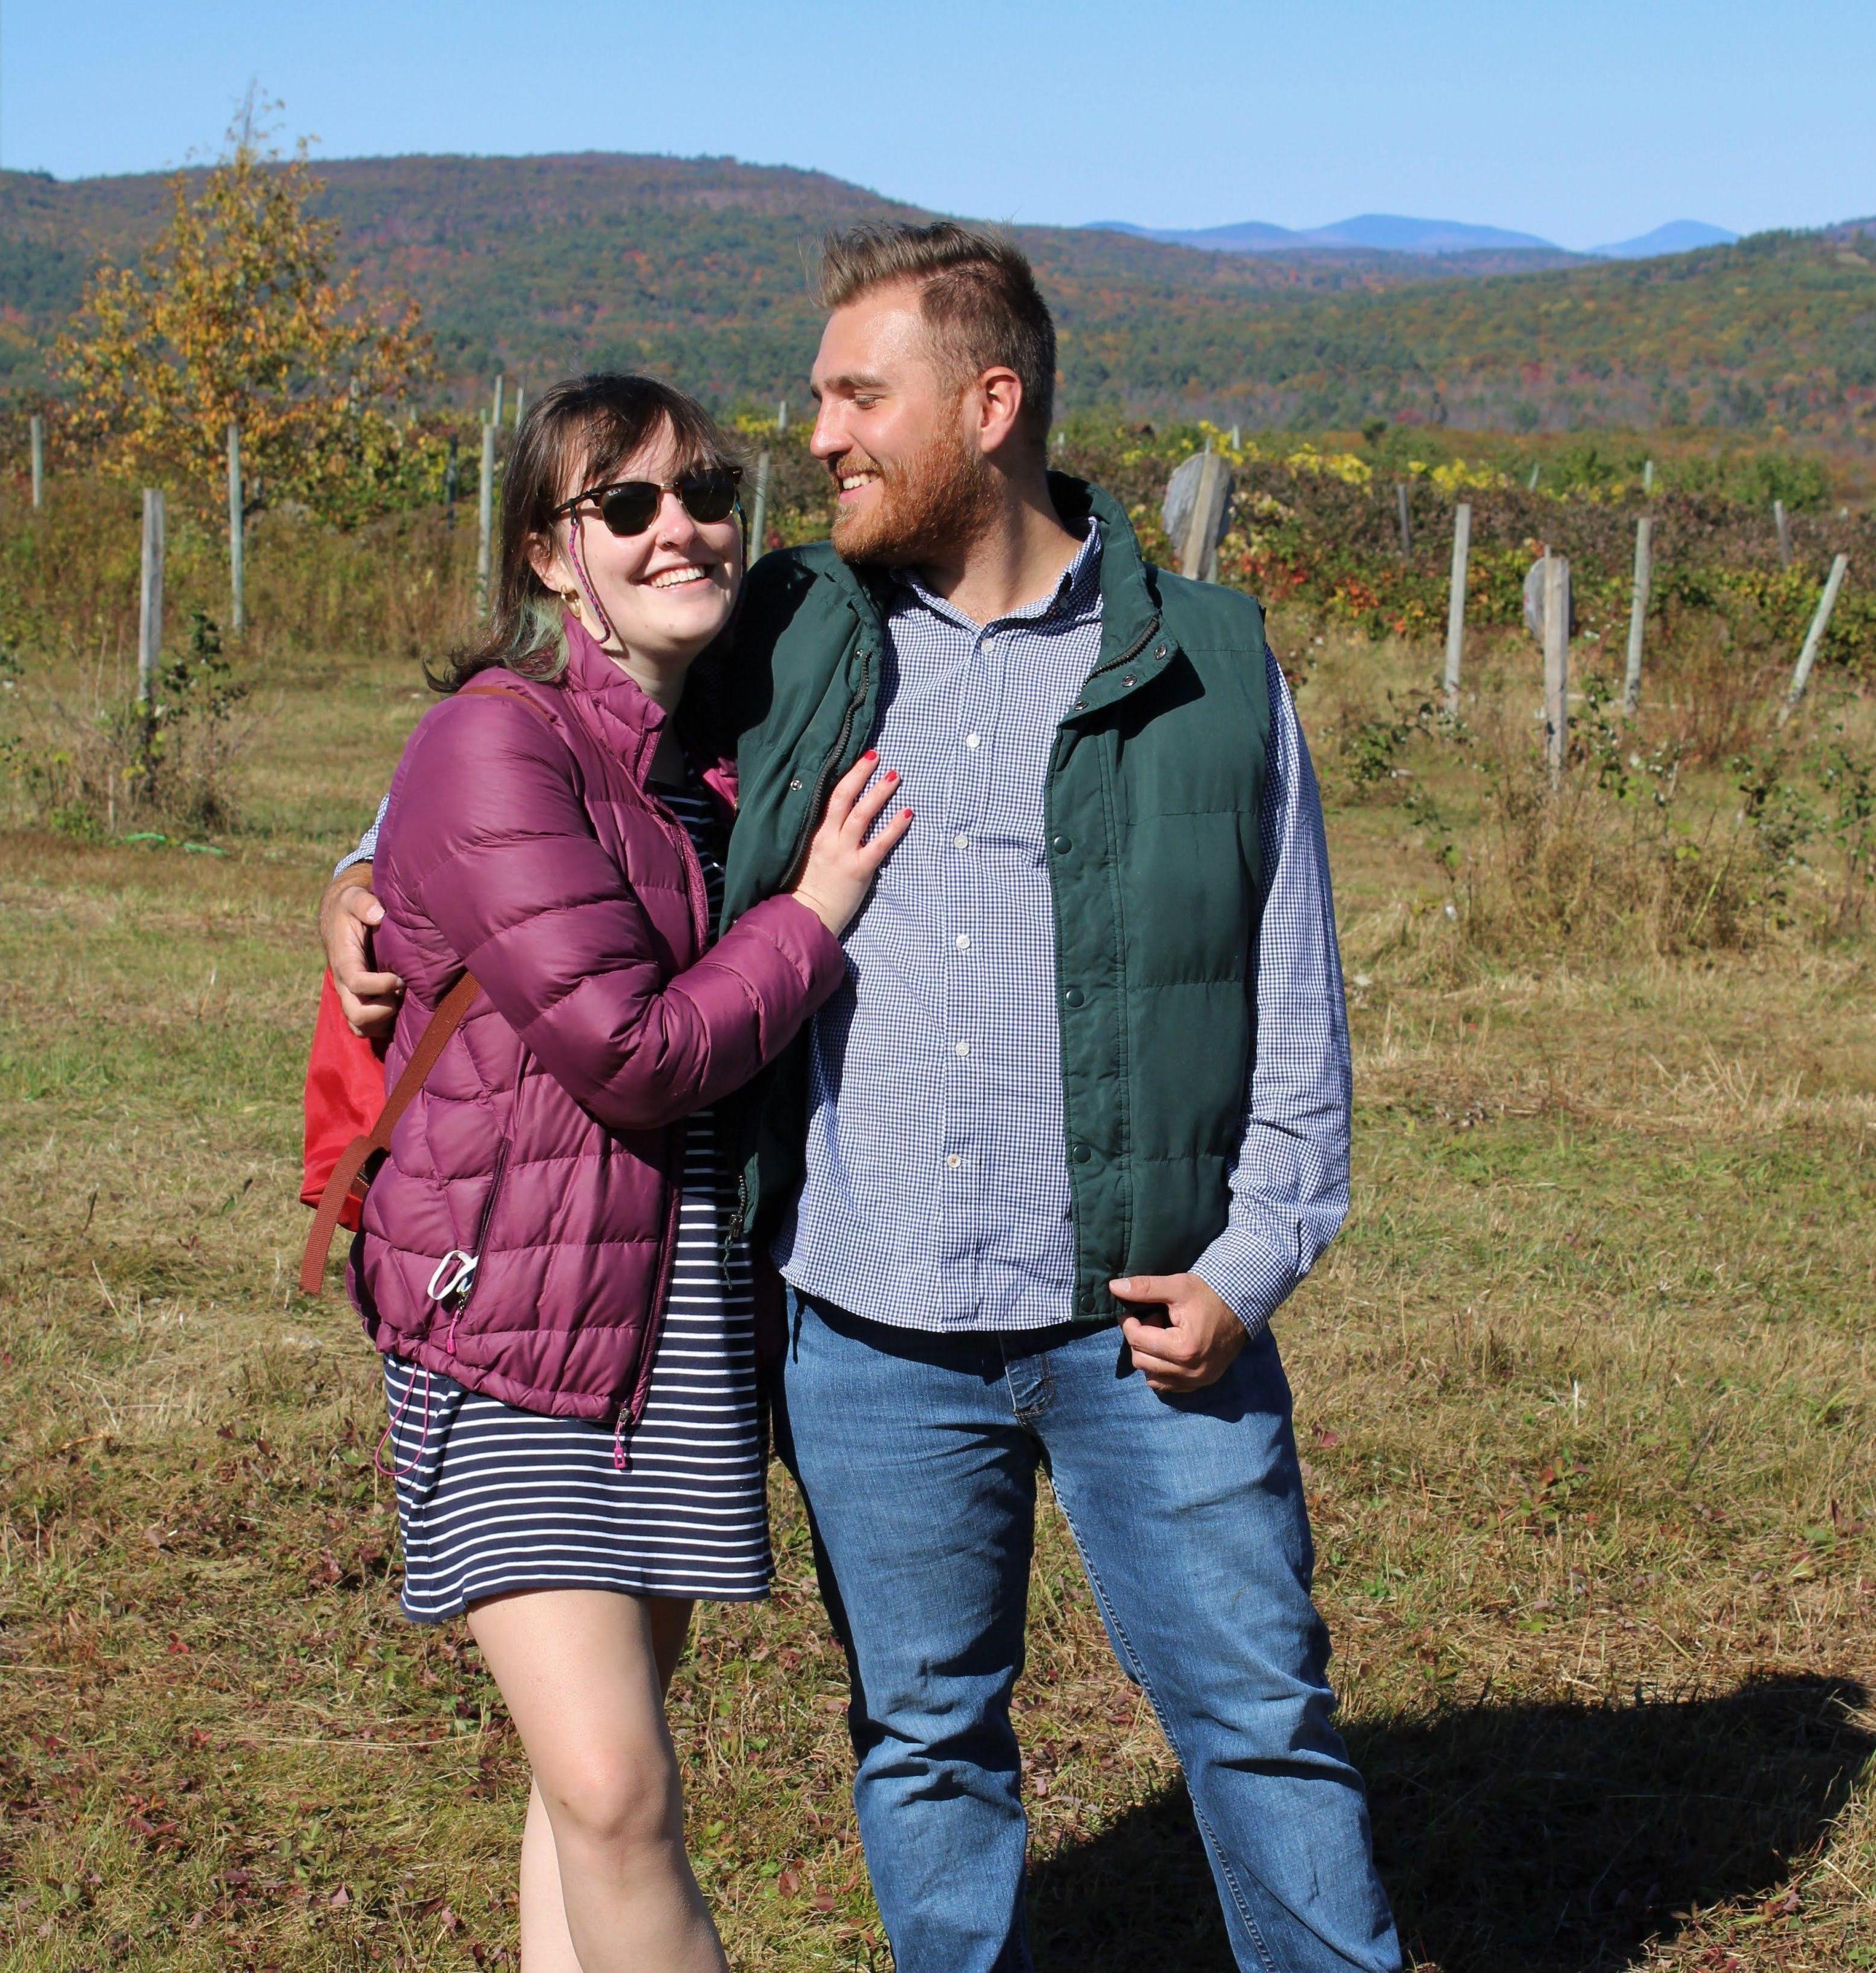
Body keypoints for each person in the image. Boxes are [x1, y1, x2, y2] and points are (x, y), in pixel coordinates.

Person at [325, 228, 1399, 1973]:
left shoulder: (1209, 665)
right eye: (812, 400)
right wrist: (361, 871)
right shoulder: (795, 633)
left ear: (988, 405)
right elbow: (535, 754)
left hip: (1140, 1320)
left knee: (1260, 1725)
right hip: (862, 1325)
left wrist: (1253, 1259)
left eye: (851, 396)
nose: (814, 437)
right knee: (921, 1744)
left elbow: (1292, 999)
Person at [329, 373, 907, 1973]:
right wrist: (816, 910)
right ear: (545, 556)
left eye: (708, 492)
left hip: (678, 1327)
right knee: (613, 1785)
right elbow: (633, 1050)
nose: (681, 528)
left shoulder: (723, 752)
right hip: (513, 1333)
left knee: (587, 1794)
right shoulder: (489, 745)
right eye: (627, 504)